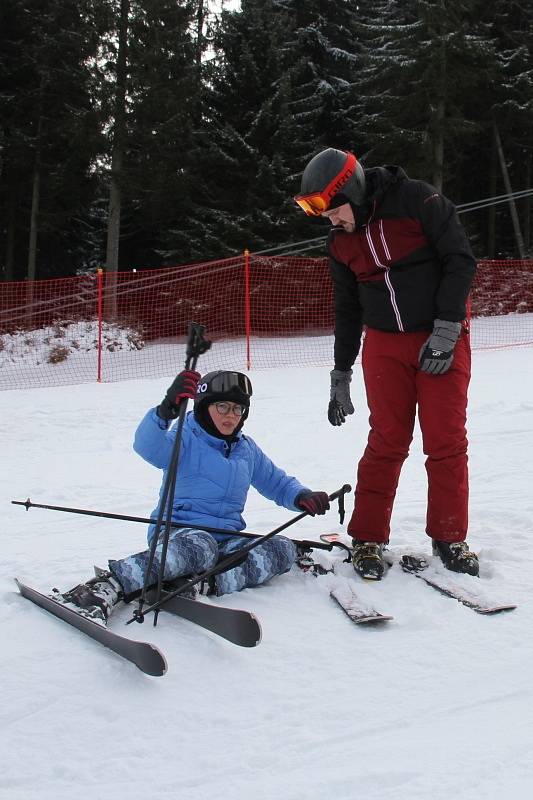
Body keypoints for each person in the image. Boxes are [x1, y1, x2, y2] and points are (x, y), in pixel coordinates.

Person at [294, 148, 479, 580]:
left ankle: (450, 537)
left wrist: (448, 328)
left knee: (445, 440)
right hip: (384, 345)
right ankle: (368, 537)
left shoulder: (419, 201)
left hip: (440, 337)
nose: (331, 221)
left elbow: (459, 260)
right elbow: (346, 309)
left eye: (333, 210)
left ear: (352, 192)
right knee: (387, 440)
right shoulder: (339, 242)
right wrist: (341, 373)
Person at [53, 369, 330, 623]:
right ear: (204, 407)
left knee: (280, 547)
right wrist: (165, 411)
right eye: (222, 406)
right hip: (178, 535)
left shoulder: (246, 449)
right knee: (202, 546)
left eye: (237, 408)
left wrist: (302, 496)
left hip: (226, 541)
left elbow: (276, 482)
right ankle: (105, 587)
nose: (230, 415)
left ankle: (198, 584)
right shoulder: (186, 437)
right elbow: (147, 446)